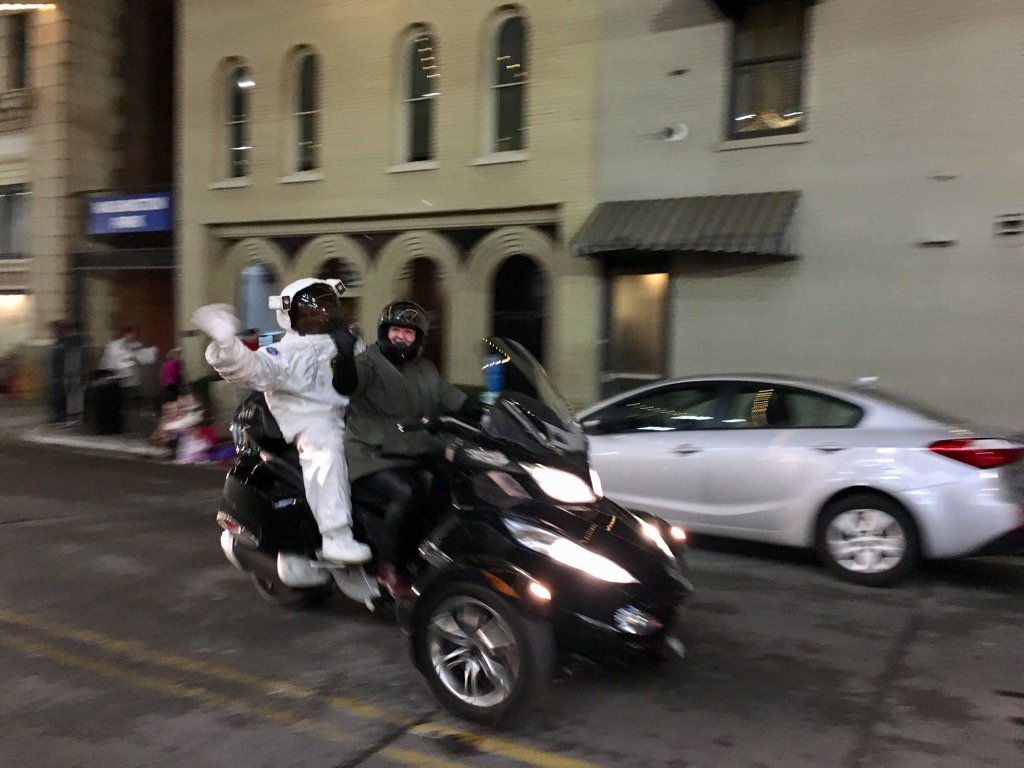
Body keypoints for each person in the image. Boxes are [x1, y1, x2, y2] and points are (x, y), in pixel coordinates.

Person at [191, 279, 371, 564]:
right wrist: (227, 344)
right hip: (312, 421)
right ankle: (335, 535)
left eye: (322, 308)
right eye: (308, 312)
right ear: (290, 315)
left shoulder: (345, 340)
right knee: (326, 451)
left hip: (355, 415)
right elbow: (254, 368)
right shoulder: (286, 352)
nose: (317, 316)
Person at [333, 300, 481, 598]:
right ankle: (389, 567)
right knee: (407, 491)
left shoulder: (425, 369)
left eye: (408, 332)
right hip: (370, 454)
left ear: (419, 338)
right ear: (384, 332)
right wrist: (345, 353)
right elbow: (346, 384)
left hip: (411, 451)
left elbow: (457, 401)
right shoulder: (369, 363)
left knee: (449, 481)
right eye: (395, 330)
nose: (400, 337)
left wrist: (495, 415)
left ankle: (428, 553)